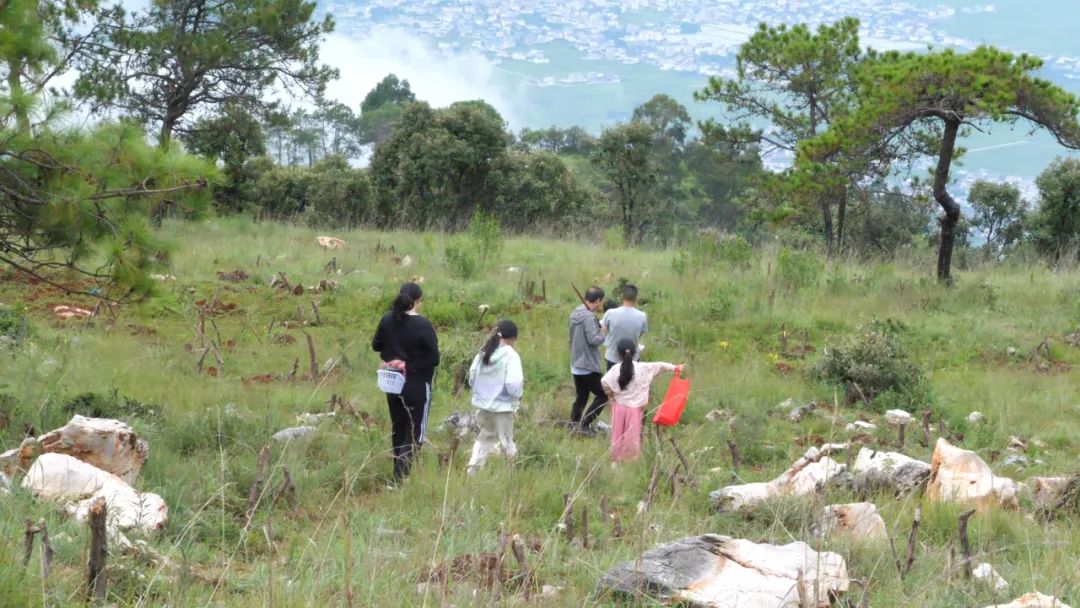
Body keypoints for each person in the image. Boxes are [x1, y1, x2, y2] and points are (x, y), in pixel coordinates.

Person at [371, 282, 440, 482]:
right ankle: (401, 478)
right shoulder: (423, 325)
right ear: (418, 301)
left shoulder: (387, 319)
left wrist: (393, 356)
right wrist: (407, 363)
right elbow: (433, 358)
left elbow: (377, 345)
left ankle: (397, 474)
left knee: (399, 428)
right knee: (415, 431)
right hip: (416, 383)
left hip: (392, 382)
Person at [601, 339, 682, 462]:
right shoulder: (644, 368)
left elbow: (604, 382)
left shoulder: (615, 369)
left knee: (617, 433)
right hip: (635, 409)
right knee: (632, 437)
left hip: (619, 407)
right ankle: (630, 460)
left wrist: (611, 396)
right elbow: (660, 365)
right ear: (635, 353)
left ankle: (615, 461)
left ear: (618, 354)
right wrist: (675, 368)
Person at [466, 320, 523, 474]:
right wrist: (517, 397)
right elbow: (514, 383)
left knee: (483, 439)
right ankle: (511, 474)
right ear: (512, 338)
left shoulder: (483, 352)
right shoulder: (511, 355)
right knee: (506, 441)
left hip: (482, 406)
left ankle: (472, 471)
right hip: (503, 408)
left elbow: (472, 377)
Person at [568, 286, 607, 435]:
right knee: (604, 394)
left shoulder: (575, 313)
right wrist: (602, 333)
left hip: (576, 363)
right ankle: (585, 424)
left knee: (582, 396)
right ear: (597, 300)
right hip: (587, 365)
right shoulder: (589, 318)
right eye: (600, 301)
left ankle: (574, 424)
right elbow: (593, 340)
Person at [601, 284, 648, 371]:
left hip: (612, 358)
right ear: (636, 298)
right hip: (633, 359)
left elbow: (602, 329)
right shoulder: (642, 316)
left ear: (622, 297)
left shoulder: (610, 313)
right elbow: (640, 334)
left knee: (612, 383)